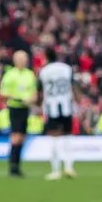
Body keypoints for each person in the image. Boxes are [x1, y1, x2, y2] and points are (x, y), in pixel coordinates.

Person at [0, 51, 38, 178]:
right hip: (15, 107)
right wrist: (18, 98)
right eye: (19, 58)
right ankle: (13, 166)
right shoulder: (10, 74)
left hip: (25, 108)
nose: (22, 61)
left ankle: (17, 164)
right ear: (15, 60)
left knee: (22, 137)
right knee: (15, 136)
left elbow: (34, 93)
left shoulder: (30, 74)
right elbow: (3, 93)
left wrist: (30, 100)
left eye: (24, 58)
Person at [38, 52, 77, 181]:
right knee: (67, 138)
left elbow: (40, 90)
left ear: (46, 58)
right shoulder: (67, 69)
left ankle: (55, 170)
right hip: (67, 106)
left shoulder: (44, 71)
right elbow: (73, 86)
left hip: (52, 107)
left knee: (54, 139)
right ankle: (69, 167)